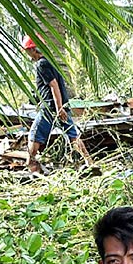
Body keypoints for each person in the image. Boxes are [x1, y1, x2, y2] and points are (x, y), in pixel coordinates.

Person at [21, 36, 94, 174]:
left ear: (33, 49)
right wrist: (62, 107)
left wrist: (58, 108)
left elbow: (54, 86)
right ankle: (89, 162)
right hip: (61, 106)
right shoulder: (50, 62)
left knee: (34, 134)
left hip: (50, 109)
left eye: (27, 51)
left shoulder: (42, 64)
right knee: (73, 136)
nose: (27, 54)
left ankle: (30, 167)